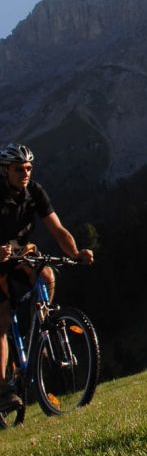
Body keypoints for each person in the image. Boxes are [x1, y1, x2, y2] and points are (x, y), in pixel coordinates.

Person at [0, 143, 94, 410]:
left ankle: (42, 328)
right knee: (3, 317)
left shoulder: (34, 192)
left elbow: (58, 229)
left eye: (29, 168)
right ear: (5, 170)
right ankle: (5, 388)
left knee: (48, 276)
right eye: (19, 169)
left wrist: (76, 253)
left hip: (20, 258)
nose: (25, 173)